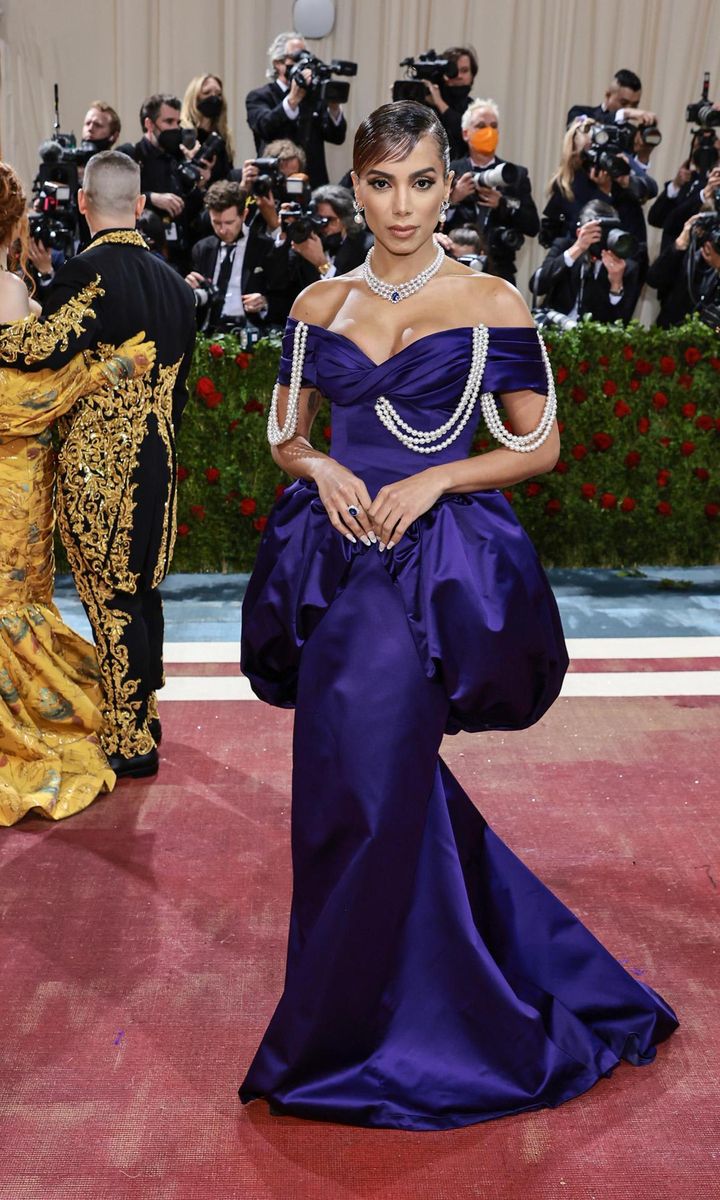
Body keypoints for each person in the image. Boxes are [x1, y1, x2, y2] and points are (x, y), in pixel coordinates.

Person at [237, 101, 678, 1130]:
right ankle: (397, 1004)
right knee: (355, 787)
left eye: (422, 181)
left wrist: (439, 482)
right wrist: (325, 467)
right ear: (356, 188)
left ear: (452, 184)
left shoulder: (491, 300)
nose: (401, 205)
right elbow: (285, 437)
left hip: (426, 577)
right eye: (382, 183)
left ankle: (351, 1036)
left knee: (374, 785)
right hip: (340, 563)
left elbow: (540, 446)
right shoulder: (317, 305)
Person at [0, 150, 196, 781]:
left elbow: (36, 349)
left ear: (84, 203)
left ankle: (130, 736)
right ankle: (147, 710)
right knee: (143, 590)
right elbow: (183, 391)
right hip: (160, 458)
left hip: (101, 469)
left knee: (110, 599)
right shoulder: (176, 286)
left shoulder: (85, 274)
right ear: (139, 205)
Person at [446, 98, 539, 284]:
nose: (488, 131)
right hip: (453, 268)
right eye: (480, 126)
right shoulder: (450, 170)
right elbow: (427, 221)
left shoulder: (515, 174)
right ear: (466, 133)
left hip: (499, 271)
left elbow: (532, 225)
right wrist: (453, 198)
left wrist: (503, 204)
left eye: (493, 126)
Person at [245, 31, 347, 188]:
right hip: (275, 183)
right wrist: (292, 100)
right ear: (278, 63)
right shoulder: (259, 96)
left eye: (306, 57)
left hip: (312, 183)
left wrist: (334, 108)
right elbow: (264, 127)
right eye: (297, 58)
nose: (303, 64)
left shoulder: (313, 96)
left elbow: (336, 136)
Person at [185, 180, 275, 333]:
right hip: (210, 332)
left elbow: (285, 297)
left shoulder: (265, 247)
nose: (223, 230)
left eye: (229, 222)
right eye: (216, 222)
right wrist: (187, 289)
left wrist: (264, 302)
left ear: (244, 214)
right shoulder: (202, 249)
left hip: (252, 332)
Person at [532, 198, 641, 323]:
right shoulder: (564, 247)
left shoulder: (626, 266)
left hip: (594, 337)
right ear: (579, 232)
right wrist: (577, 249)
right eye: (596, 232)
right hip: (555, 327)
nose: (602, 238)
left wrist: (616, 285)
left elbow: (621, 322)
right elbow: (537, 286)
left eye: (607, 231)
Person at [420, 45, 478, 159]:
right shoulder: (426, 104)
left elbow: (465, 133)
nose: (459, 76)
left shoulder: (475, 108)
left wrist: (440, 103)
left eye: (464, 71)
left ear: (472, 76)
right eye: (453, 71)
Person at [181, 73, 235, 183]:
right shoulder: (183, 133)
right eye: (207, 93)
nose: (214, 97)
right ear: (194, 98)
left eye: (218, 94)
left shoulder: (223, 136)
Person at [566, 69, 656, 129]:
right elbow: (581, 131)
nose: (630, 109)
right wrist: (624, 113)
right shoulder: (579, 112)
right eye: (623, 103)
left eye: (634, 105)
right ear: (608, 95)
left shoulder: (631, 133)